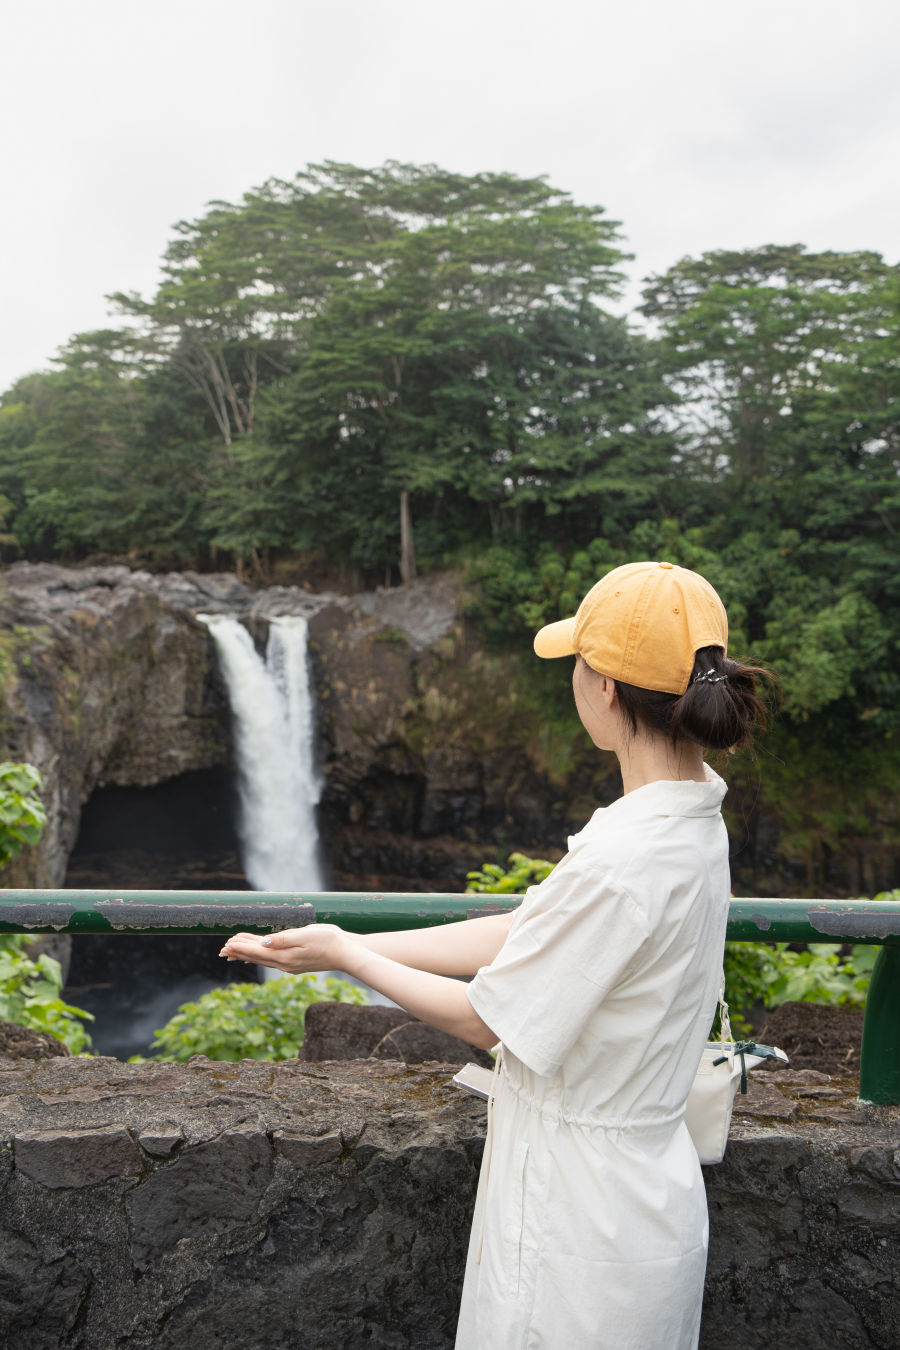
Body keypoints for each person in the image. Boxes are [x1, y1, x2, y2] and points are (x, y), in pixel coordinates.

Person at [220, 559, 770, 1350]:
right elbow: (532, 932)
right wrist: (355, 941)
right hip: (646, 1194)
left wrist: (346, 954)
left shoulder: (625, 861)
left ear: (605, 687)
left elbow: (486, 1020)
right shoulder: (690, 821)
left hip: (579, 1225)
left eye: (577, 664)